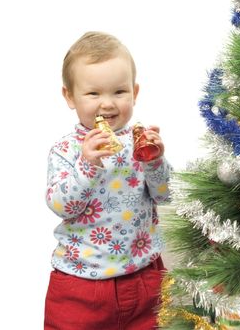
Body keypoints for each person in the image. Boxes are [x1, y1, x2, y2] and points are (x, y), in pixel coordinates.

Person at [44, 31, 172, 329]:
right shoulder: (66, 150)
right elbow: (62, 205)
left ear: (135, 92)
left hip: (143, 277)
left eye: (119, 92)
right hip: (80, 284)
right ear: (70, 97)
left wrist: (155, 160)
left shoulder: (140, 142)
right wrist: (87, 165)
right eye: (93, 94)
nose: (107, 104)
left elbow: (165, 195)